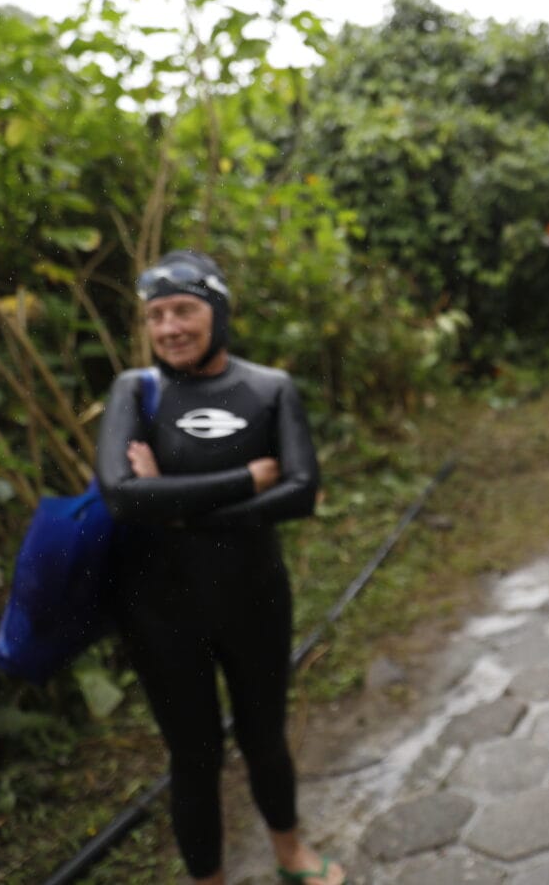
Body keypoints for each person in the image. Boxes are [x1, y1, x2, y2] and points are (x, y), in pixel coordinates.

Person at [95, 250, 346, 885]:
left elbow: (301, 491)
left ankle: (290, 853)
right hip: (160, 613)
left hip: (254, 598)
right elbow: (122, 494)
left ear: (218, 312)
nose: (170, 328)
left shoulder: (268, 388)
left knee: (265, 736)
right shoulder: (136, 391)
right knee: (194, 756)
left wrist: (178, 507)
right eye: (156, 316)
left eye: (184, 310)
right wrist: (244, 481)